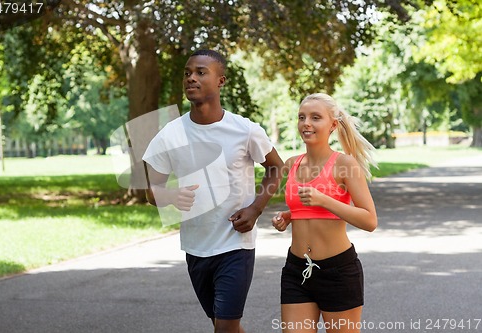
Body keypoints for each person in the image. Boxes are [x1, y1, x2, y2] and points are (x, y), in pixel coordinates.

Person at [143, 49, 284, 333]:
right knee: (222, 325)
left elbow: (276, 168)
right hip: (196, 246)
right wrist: (170, 196)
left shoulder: (244, 130)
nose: (191, 78)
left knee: (226, 326)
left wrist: (256, 208)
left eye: (200, 72)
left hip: (235, 243)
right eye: (187, 73)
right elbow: (150, 191)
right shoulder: (170, 134)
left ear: (221, 81)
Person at [271, 93, 378, 333]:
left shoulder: (345, 164)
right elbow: (304, 209)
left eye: (315, 117)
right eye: (302, 117)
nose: (306, 123)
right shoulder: (292, 164)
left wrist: (325, 200)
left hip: (338, 272)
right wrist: (288, 216)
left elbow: (370, 220)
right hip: (296, 270)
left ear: (332, 125)